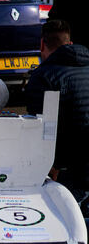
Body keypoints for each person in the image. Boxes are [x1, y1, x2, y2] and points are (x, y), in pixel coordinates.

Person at [24, 20, 89, 212]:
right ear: (69, 44)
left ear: (42, 45)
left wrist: (53, 166)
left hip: (74, 171)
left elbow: (42, 131)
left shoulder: (43, 77)